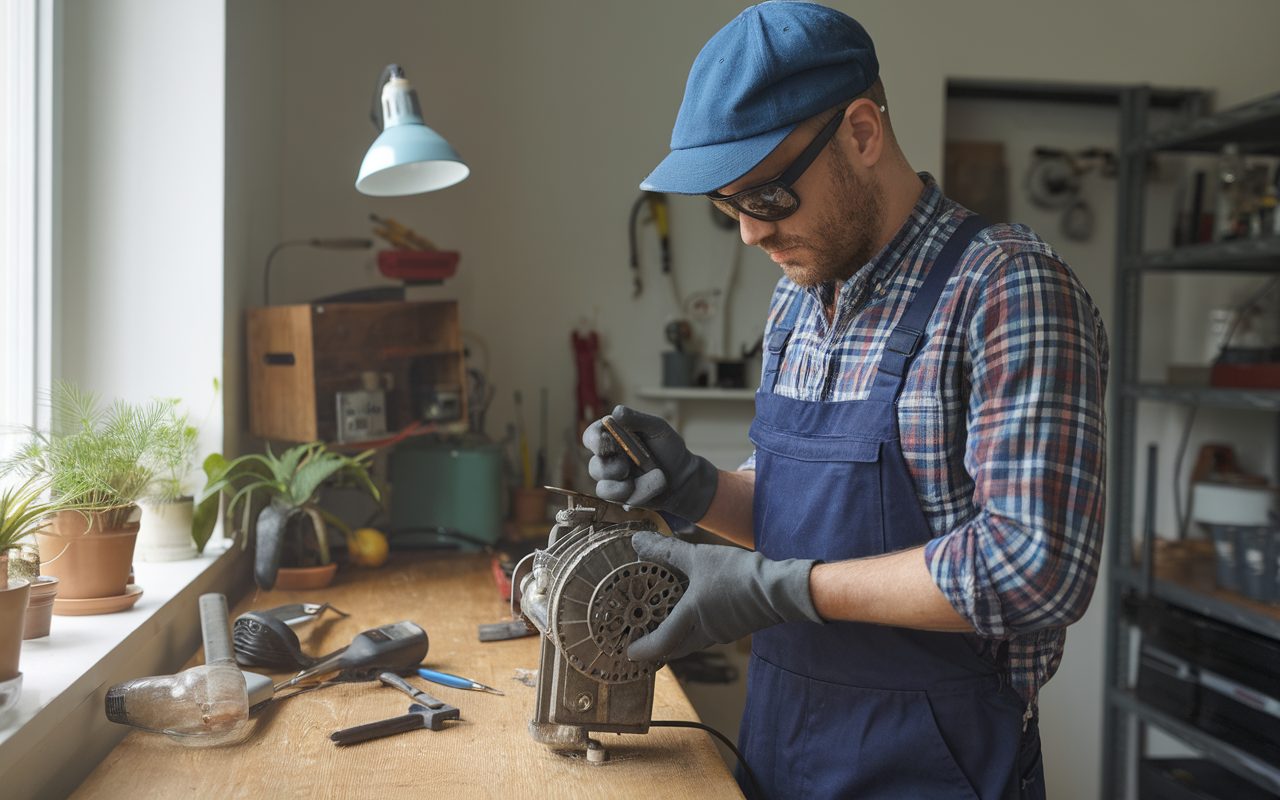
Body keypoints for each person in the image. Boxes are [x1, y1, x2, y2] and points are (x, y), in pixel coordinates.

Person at [581, 3, 1109, 798]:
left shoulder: (1007, 290)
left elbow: (1035, 567)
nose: (751, 236)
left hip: (933, 770)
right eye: (727, 207)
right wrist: (695, 488)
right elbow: (794, 513)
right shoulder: (799, 298)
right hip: (782, 747)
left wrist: (780, 589)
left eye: (767, 196)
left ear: (861, 133)